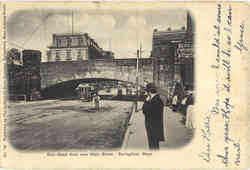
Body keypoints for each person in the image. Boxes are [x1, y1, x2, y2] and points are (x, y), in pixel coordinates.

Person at [142, 83, 164, 150]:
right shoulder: (157, 99)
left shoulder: (155, 100)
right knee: (154, 145)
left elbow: (145, 111)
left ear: (149, 91)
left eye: (147, 91)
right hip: (154, 126)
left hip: (153, 127)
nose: (146, 93)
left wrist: (146, 101)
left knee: (153, 145)